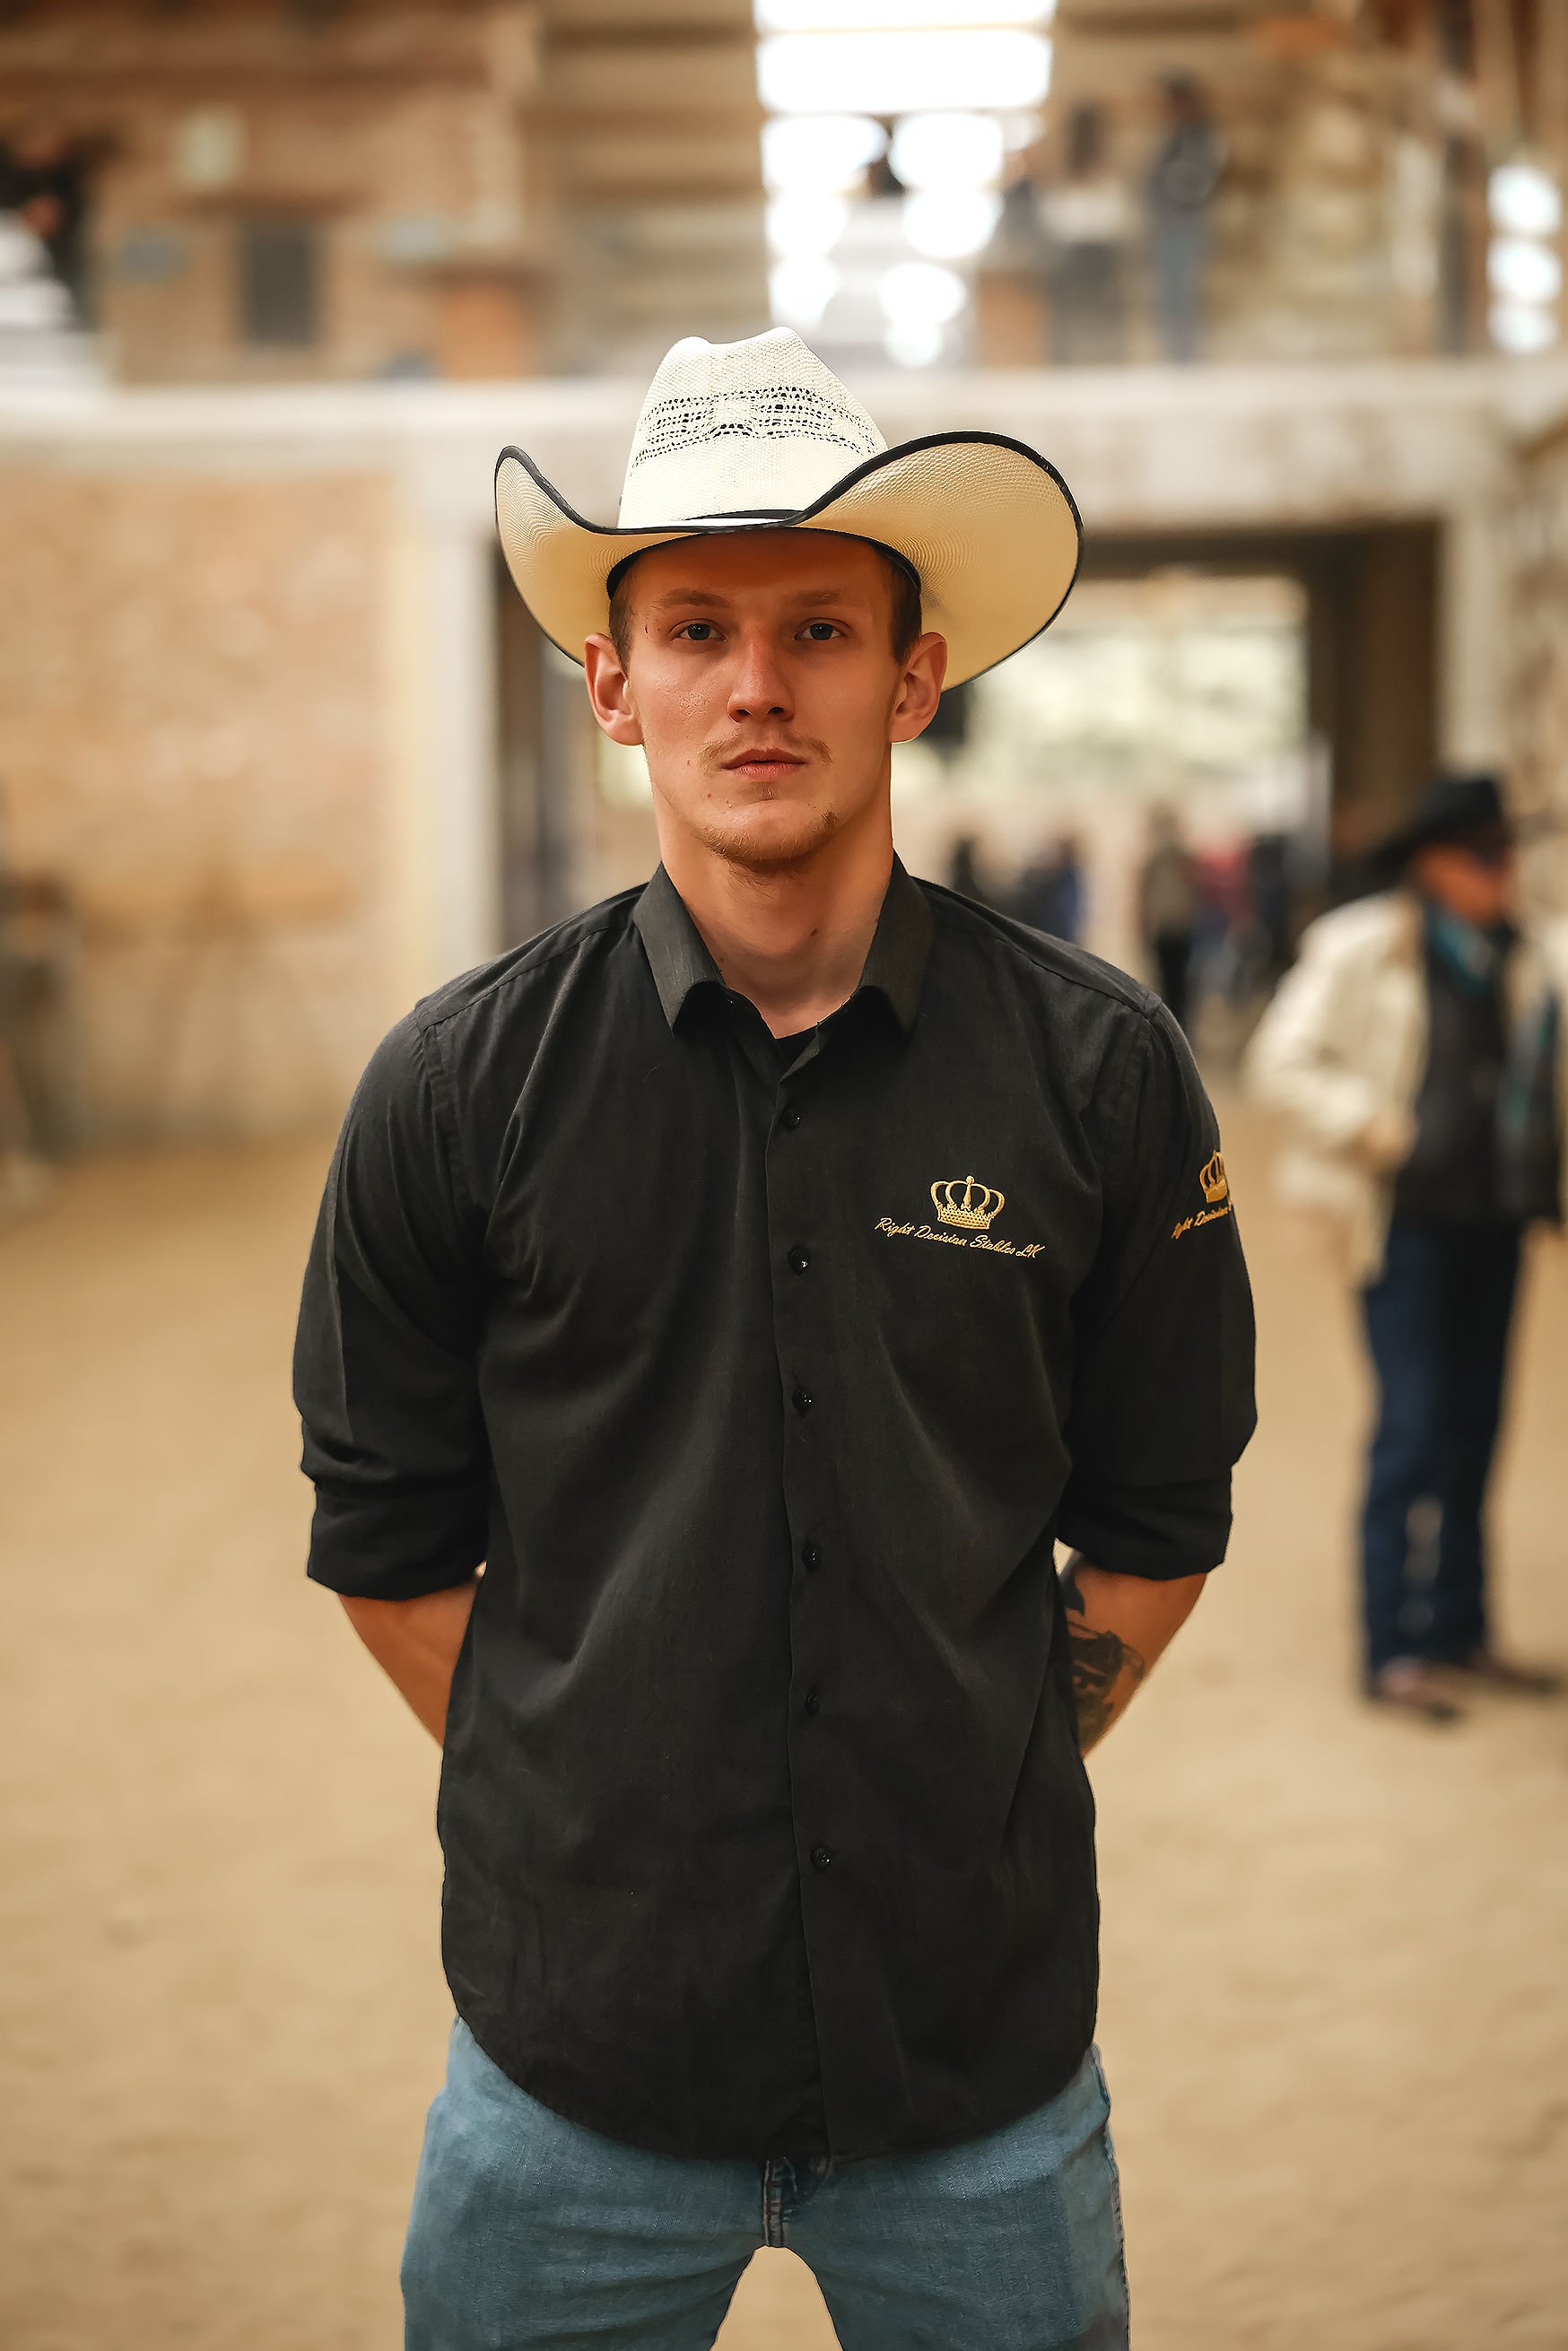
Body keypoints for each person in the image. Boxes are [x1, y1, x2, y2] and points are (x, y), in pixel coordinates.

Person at [294, 327, 1256, 2349]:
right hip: (571, 2080)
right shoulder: (456, 1091)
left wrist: (961, 1770)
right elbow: (387, 1543)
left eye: (819, 627)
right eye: (696, 629)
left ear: (913, 675)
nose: (756, 684)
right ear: (611, 682)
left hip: (977, 2082)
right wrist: (614, 1799)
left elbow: (1159, 1514)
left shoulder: (1100, 1076)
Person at [1246, 772, 1565, 1720]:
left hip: (1496, 1223)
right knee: (1413, 1426)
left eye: (1507, 852)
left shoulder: (1533, 953)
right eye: (1483, 853)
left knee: (1476, 1426)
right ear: (1432, 863)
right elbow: (1278, 1060)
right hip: (1403, 1228)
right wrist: (1374, 1124)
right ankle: (1390, 1645)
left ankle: (1460, 1628)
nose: (1502, 870)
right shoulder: (1359, 946)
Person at [1038, 103, 1132, 366]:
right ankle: (1085, 361)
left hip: (1090, 244)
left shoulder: (1103, 164)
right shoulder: (1066, 163)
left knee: (1090, 311)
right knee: (1078, 311)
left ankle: (1095, 360)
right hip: (1082, 244)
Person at [1145, 75, 1224, 363]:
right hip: (1171, 220)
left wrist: (1166, 190)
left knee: (1182, 289)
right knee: (1171, 289)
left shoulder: (1198, 135)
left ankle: (1185, 355)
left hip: (1184, 220)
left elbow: (1196, 180)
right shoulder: (1180, 134)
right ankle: (1176, 354)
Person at [1138, 805, 1200, 1029]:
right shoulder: (1157, 859)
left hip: (1177, 927)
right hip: (1166, 928)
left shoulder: (1179, 857)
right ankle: (1171, 1028)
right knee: (1170, 983)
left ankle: (1176, 1028)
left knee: (1178, 984)